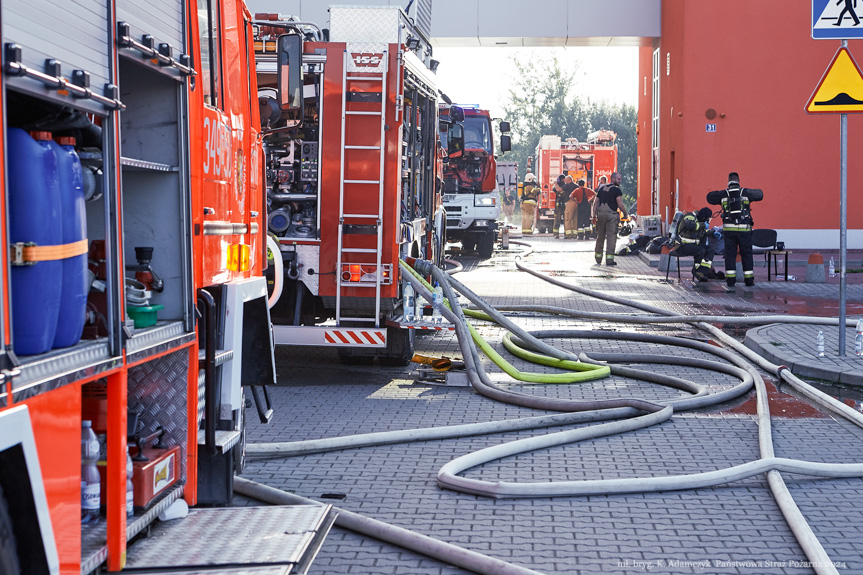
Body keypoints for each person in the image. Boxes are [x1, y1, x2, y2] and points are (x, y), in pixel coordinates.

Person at [707, 171, 764, 287]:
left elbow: (709, 197)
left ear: (728, 182)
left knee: (730, 254)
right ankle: (748, 280)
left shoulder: (723, 194)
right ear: (738, 181)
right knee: (747, 254)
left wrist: (724, 193)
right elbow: (760, 195)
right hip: (745, 230)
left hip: (729, 231)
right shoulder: (746, 193)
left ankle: (730, 281)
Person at [591, 172, 629, 266]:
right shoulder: (617, 190)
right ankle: (609, 260)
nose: (620, 181)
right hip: (611, 216)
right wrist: (625, 214)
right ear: (613, 179)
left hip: (600, 215)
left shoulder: (601, 189)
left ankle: (598, 258)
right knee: (611, 237)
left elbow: (595, 203)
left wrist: (594, 215)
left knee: (600, 236)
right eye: (618, 179)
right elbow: (620, 204)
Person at [671, 207, 716, 281]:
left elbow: (703, 232)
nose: (708, 220)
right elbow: (690, 225)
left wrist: (713, 233)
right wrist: (703, 225)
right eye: (707, 218)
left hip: (693, 246)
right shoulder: (690, 216)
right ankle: (696, 270)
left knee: (710, 249)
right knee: (700, 250)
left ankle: (702, 271)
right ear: (704, 216)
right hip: (682, 246)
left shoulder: (700, 222)